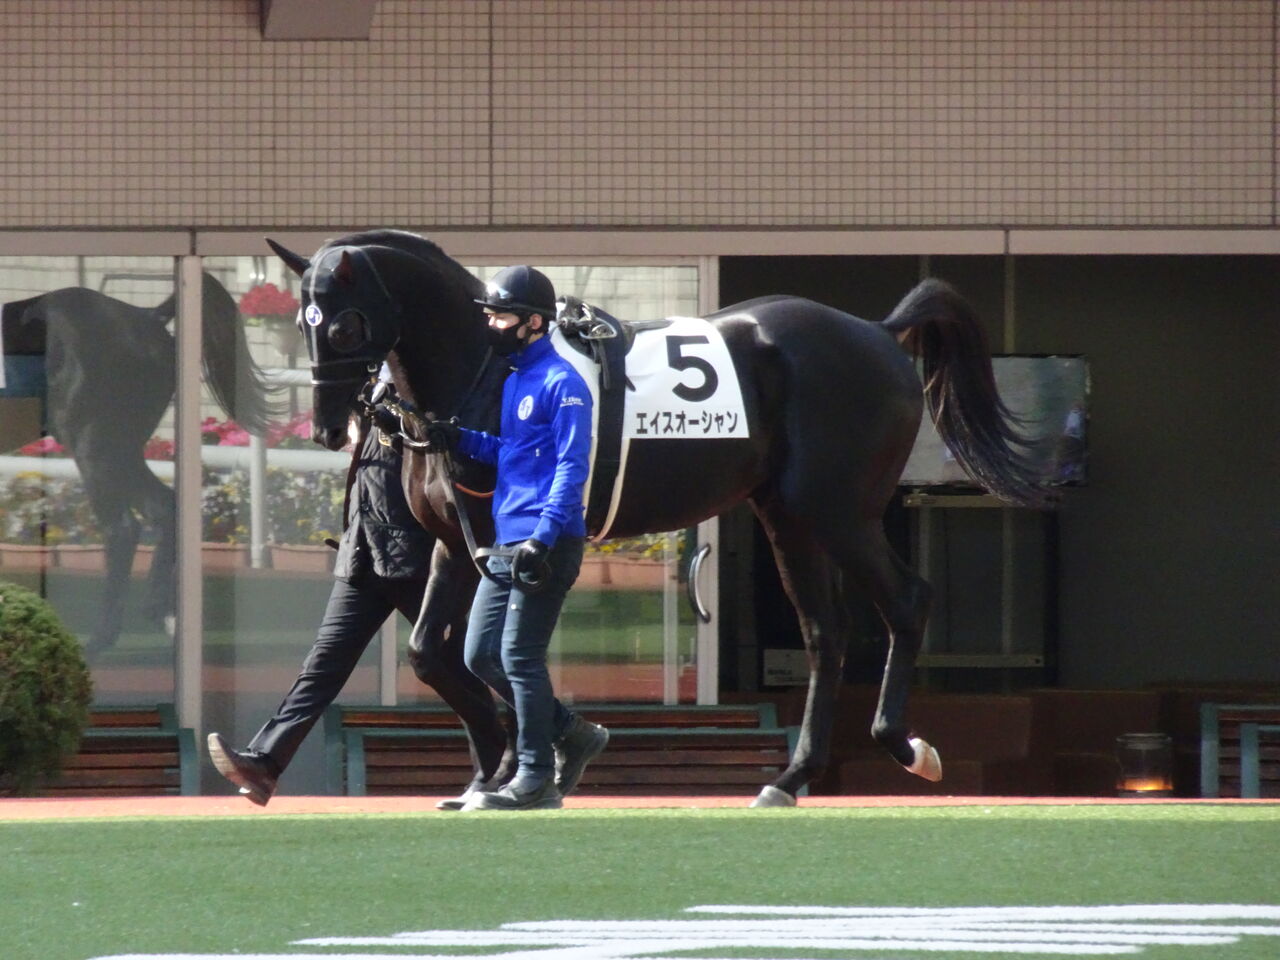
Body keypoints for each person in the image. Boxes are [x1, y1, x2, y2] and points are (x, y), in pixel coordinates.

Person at [206, 376, 507, 810]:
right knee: (323, 664)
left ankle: (504, 761)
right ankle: (265, 763)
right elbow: (334, 434)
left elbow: (442, 453)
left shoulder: (425, 383)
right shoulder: (369, 382)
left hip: (419, 557)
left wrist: (395, 421)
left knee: (451, 664)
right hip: (363, 552)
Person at [438, 265, 609, 811]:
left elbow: (570, 467)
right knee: (478, 654)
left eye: (500, 314)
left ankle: (536, 779)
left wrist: (543, 535)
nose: (491, 323)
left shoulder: (564, 384)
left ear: (534, 323)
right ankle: (574, 734)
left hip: (546, 542)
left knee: (518, 655)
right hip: (510, 538)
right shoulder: (516, 379)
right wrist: (453, 438)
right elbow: (511, 454)